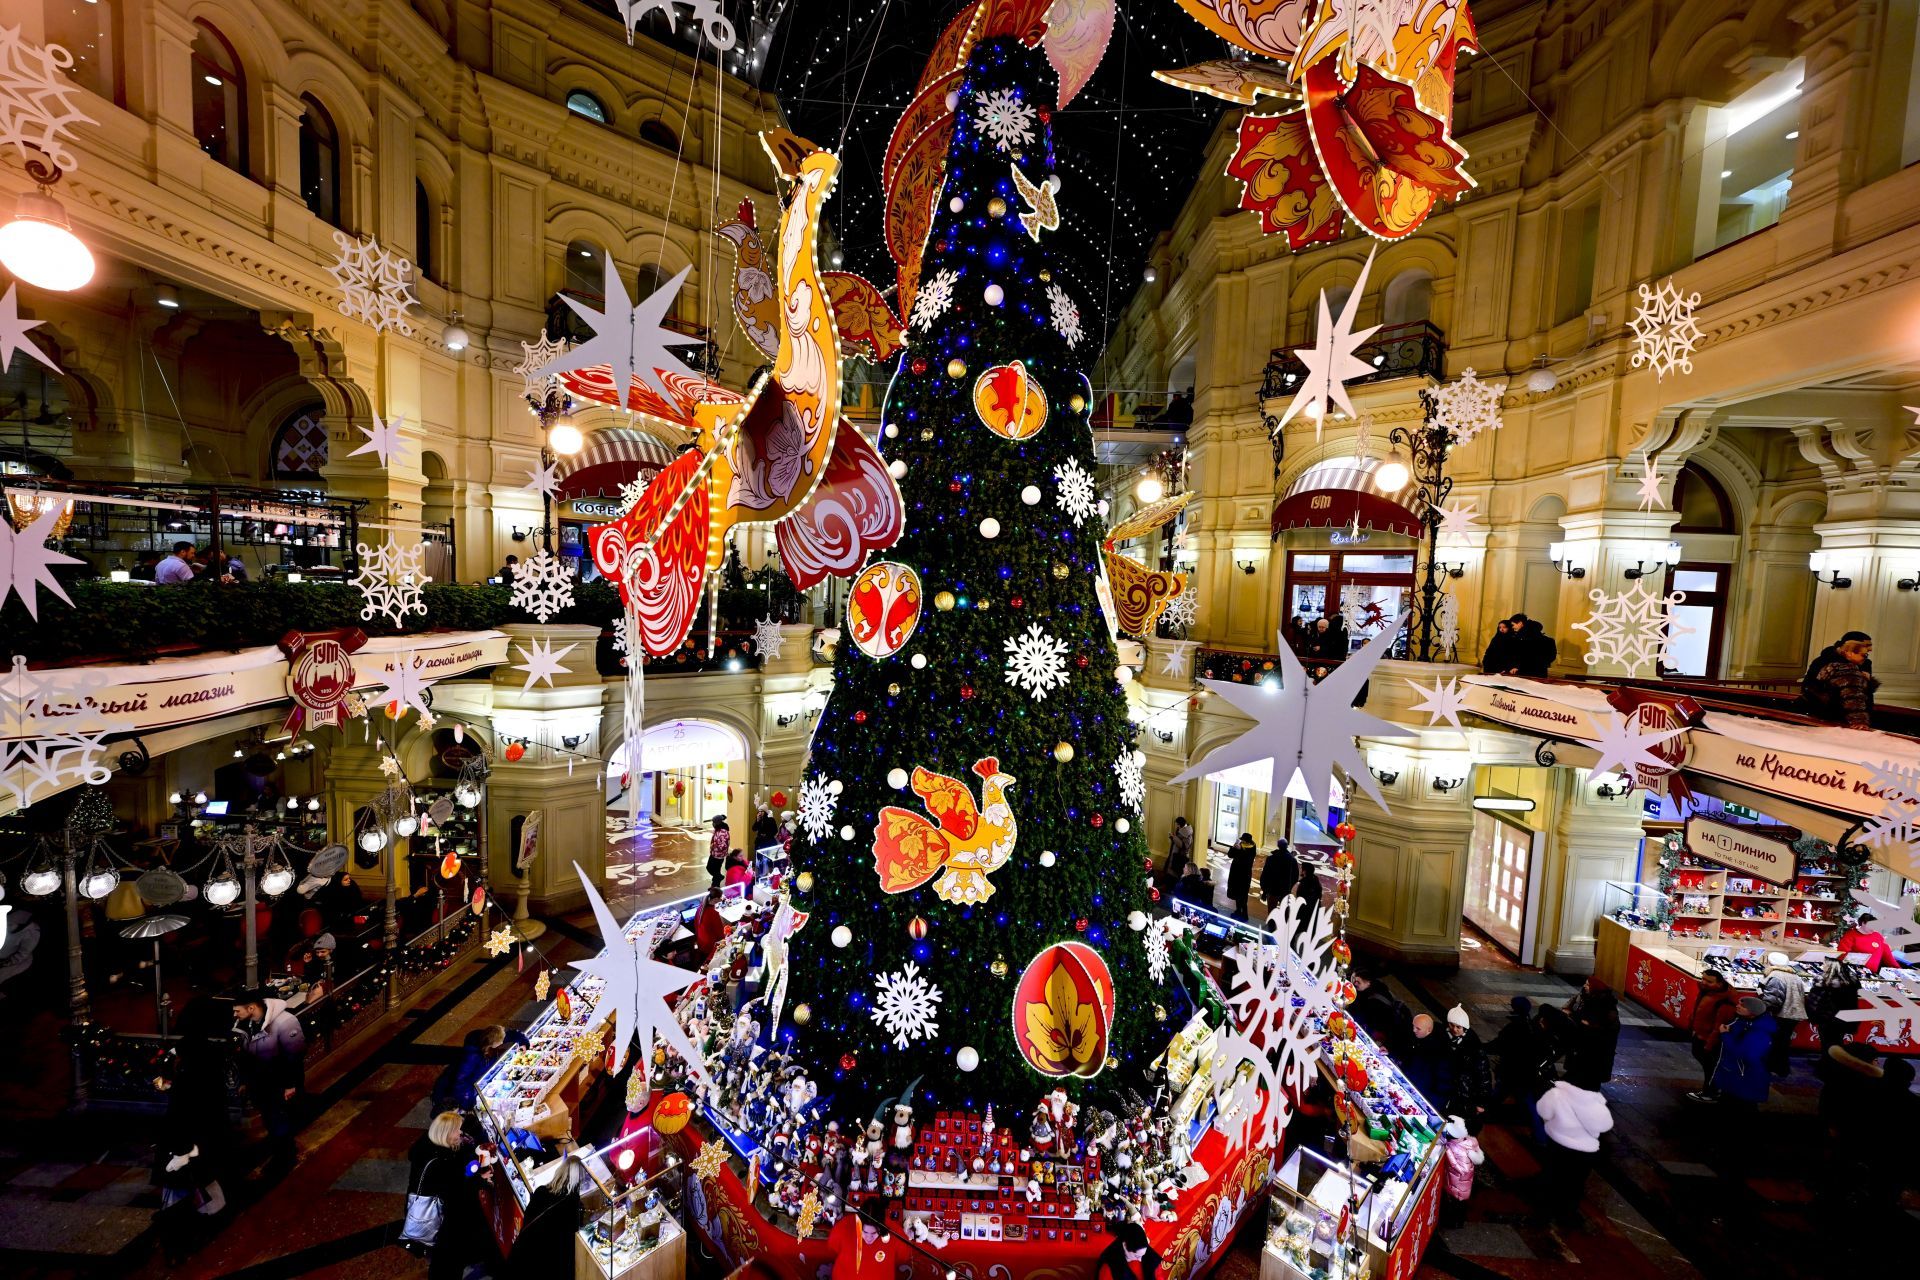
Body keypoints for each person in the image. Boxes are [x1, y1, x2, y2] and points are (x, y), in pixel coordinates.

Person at [409, 1110, 501, 1279]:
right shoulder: (440, 1162)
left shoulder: (431, 1149)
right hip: (445, 1223)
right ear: (446, 1134)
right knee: (448, 1262)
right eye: (457, 1130)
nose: (460, 1132)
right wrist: (480, 1181)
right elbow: (455, 1191)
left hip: (445, 1221)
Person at [232, 989, 308, 1178]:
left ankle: (286, 1157)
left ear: (251, 1008)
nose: (234, 1015)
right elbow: (246, 1057)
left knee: (279, 1119)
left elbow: (295, 1056)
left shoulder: (285, 1022)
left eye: (237, 1011)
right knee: (270, 1118)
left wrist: (290, 1084)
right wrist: (245, 1081)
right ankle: (281, 1151)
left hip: (278, 1083)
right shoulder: (246, 1025)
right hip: (261, 1083)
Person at [1534, 1074, 1613, 1228]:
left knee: (1555, 1176)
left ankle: (1547, 1211)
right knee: (1573, 1182)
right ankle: (1565, 1213)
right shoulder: (1594, 1107)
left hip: (1562, 1147)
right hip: (1580, 1153)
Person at [502, 1152, 586, 1280]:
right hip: (545, 1267)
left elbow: (528, 1219)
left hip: (523, 1255)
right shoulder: (573, 1207)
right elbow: (568, 1247)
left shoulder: (541, 1191)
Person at [1691, 995, 1774, 1107]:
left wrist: (1725, 1035)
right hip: (1733, 1076)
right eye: (1739, 1003)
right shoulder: (1742, 1022)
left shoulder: (1759, 1033)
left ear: (1752, 1012)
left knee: (1741, 1107)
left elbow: (1744, 1054)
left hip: (1744, 1079)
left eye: (1743, 1006)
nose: (1738, 1006)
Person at [1800, 631, 1878, 728]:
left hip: (1823, 712)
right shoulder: (1846, 668)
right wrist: (1859, 721)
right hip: (1834, 715)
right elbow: (1853, 698)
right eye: (1866, 646)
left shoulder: (1839, 665)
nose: (1870, 649)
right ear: (1850, 651)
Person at [432, 1024, 506, 1114]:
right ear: (491, 1043)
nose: (502, 1043)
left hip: (469, 1090)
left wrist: (522, 1040)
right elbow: (460, 1083)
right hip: (458, 1095)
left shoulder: (488, 1047)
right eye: (499, 1042)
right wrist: (469, 1104)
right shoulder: (472, 1057)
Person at [1442, 1005, 1493, 1132]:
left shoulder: (1474, 1048)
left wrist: (1481, 1103)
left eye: (1458, 1027)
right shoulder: (1442, 1037)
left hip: (1463, 1095)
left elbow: (1483, 1077)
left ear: (1464, 1027)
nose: (1454, 1029)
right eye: (1452, 1025)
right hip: (1445, 1088)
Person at [1563, 978, 1621, 1085]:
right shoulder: (1583, 998)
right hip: (1583, 1044)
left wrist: (1573, 1016)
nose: (1585, 986)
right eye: (1585, 983)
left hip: (1596, 1050)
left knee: (1590, 1079)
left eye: (1588, 985)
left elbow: (1594, 1025)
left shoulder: (1606, 1006)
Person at [1760, 951, 1809, 1075]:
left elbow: (1773, 1000)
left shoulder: (1776, 976)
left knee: (1777, 1042)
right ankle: (1781, 1068)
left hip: (1782, 1014)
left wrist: (1764, 1008)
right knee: (1784, 1042)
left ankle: (1775, 1068)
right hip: (1794, 1014)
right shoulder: (1795, 976)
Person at [1688, 969, 1738, 1090]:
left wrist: (1709, 1044)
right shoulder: (1707, 992)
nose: (1704, 982)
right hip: (1699, 1034)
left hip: (1709, 1039)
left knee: (1711, 1066)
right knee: (1702, 1060)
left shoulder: (1724, 1001)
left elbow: (1718, 1026)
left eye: (1709, 981)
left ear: (1719, 984)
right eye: (1703, 979)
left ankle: (1710, 1091)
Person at [829, 1195, 899, 1279]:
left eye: (874, 1233)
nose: (869, 1238)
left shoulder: (895, 1232)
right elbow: (832, 1247)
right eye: (865, 1232)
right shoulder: (843, 1226)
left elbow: (904, 1256)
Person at [1489, 995, 1542, 1104]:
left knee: (1498, 1095)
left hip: (1511, 1070)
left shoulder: (1514, 1027)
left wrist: (1480, 1047)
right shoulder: (1530, 1025)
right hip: (1524, 1073)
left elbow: (1498, 1045)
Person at [1350, 967, 1413, 1058]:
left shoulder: (1375, 1002)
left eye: (1358, 982)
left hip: (1382, 1035)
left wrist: (1387, 1045)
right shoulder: (1370, 990)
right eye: (1353, 979)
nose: (1353, 983)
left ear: (1368, 983)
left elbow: (1386, 1025)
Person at [1806, 957, 1863, 1049]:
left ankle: (1827, 1061)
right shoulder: (1851, 980)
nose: (1822, 966)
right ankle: (1833, 1060)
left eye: (1824, 964)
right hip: (1844, 1018)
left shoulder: (1823, 981)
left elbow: (1815, 1001)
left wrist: (1812, 1015)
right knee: (1837, 1040)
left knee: (1826, 1041)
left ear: (1830, 966)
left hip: (1827, 1017)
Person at [1439, 1114, 1485, 1226]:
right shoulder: (1471, 1140)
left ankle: (1455, 1222)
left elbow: (1463, 1169)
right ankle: (1458, 1221)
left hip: (1458, 1183)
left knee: (1456, 1204)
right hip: (1463, 1182)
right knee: (1459, 1204)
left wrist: (1449, 1154)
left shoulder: (1455, 1148)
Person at [1401, 1013, 1449, 1104]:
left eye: (1418, 1028)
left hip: (1421, 1093)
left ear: (1429, 1030)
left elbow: (1439, 1081)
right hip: (1410, 1084)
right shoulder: (1418, 1037)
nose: (1414, 1030)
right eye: (1413, 1026)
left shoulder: (1437, 1051)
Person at [1835, 914, 1910, 971]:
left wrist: (1899, 969)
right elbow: (1842, 955)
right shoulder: (1850, 935)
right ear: (1863, 923)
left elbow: (1888, 956)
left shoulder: (1878, 936)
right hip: (1854, 972)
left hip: (1872, 975)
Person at [1095, 1218, 1161, 1280]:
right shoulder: (1108, 1268)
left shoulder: (1143, 1249)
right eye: (1137, 1256)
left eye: (1143, 1254)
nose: (1140, 1259)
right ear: (1124, 1245)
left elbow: (1159, 1275)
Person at [0, 900, 40, 996]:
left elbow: (23, 954)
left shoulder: (31, 932)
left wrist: (5, 963)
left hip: (15, 962)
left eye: (9, 925)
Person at [1259, 839, 1298, 910]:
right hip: (1285, 890)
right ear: (1287, 846)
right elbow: (1295, 877)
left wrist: (1264, 890)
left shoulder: (1271, 858)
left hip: (1273, 889)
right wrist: (1289, 887)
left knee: (1271, 911)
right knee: (1284, 913)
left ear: (1278, 845)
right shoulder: (1292, 860)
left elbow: (1265, 874)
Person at [1225, 833, 1257, 920]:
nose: (1241, 841)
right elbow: (1230, 855)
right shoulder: (1239, 844)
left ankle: (1244, 913)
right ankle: (1238, 910)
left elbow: (1248, 859)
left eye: (1243, 840)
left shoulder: (1252, 847)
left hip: (1244, 874)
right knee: (1236, 891)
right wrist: (1233, 847)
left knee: (1243, 893)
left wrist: (1240, 850)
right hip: (1235, 872)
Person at [1165, 816, 1194, 885]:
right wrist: (1173, 838)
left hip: (1179, 855)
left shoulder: (1187, 832)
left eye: (1177, 824)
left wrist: (1173, 837)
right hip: (1176, 853)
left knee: (1175, 871)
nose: (1177, 826)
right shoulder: (1183, 830)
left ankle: (1171, 885)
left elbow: (1184, 846)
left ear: (1180, 824)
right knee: (1172, 869)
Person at [707, 815, 731, 886]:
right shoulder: (717, 830)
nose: (712, 824)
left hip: (718, 856)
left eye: (713, 822)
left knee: (714, 870)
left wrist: (714, 846)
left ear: (717, 823)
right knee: (710, 868)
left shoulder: (723, 832)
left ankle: (716, 886)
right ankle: (716, 882)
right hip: (714, 854)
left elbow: (723, 846)